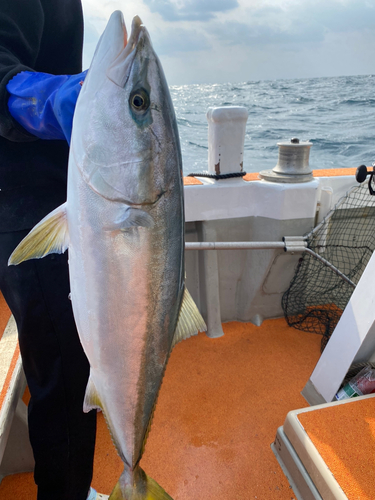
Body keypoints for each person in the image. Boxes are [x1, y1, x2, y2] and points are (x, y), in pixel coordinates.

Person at [0, 2, 107, 499]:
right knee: (65, 375)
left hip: (53, 202)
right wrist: (45, 96)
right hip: (25, 208)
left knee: (70, 366)